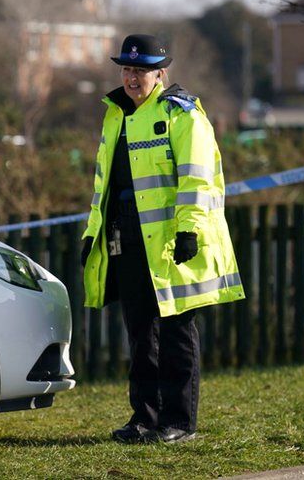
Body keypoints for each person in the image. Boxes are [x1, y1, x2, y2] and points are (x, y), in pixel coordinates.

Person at [80, 34, 244, 444]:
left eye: (141, 70)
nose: (132, 78)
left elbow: (197, 179)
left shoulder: (182, 115)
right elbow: (104, 183)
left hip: (172, 241)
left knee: (175, 332)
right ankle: (145, 418)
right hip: (127, 238)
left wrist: (188, 230)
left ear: (161, 73)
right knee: (140, 334)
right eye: (127, 69)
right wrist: (92, 232)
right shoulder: (115, 114)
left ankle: (179, 421)